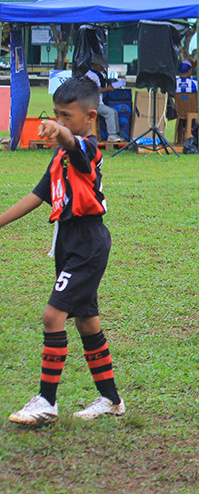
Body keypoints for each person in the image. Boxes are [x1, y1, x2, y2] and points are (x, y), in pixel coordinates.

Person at [1, 77, 125, 425]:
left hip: (88, 244)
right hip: (68, 242)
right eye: (55, 115)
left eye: (65, 116)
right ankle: (111, 400)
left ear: (90, 117)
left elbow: (73, 143)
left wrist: (61, 133)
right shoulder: (59, 156)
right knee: (86, 321)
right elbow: (37, 195)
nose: (58, 122)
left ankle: (46, 402)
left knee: (52, 316)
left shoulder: (87, 149)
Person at [83, 59, 123, 142]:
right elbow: (93, 91)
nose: (102, 68)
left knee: (114, 112)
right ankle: (112, 135)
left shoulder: (97, 75)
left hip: (98, 102)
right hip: (93, 104)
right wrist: (108, 89)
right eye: (100, 66)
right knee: (110, 113)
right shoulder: (90, 76)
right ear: (96, 65)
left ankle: (116, 134)